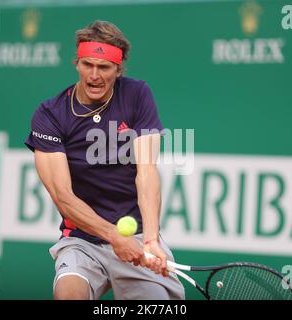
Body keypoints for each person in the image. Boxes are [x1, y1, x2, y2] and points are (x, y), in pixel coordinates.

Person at [25, 20, 185, 300]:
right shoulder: (50, 114)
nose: (94, 75)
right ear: (76, 63)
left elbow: (146, 172)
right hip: (82, 239)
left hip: (136, 238)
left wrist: (149, 239)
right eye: (88, 65)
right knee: (68, 295)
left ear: (118, 69)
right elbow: (63, 196)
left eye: (104, 67)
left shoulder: (137, 95)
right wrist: (113, 236)